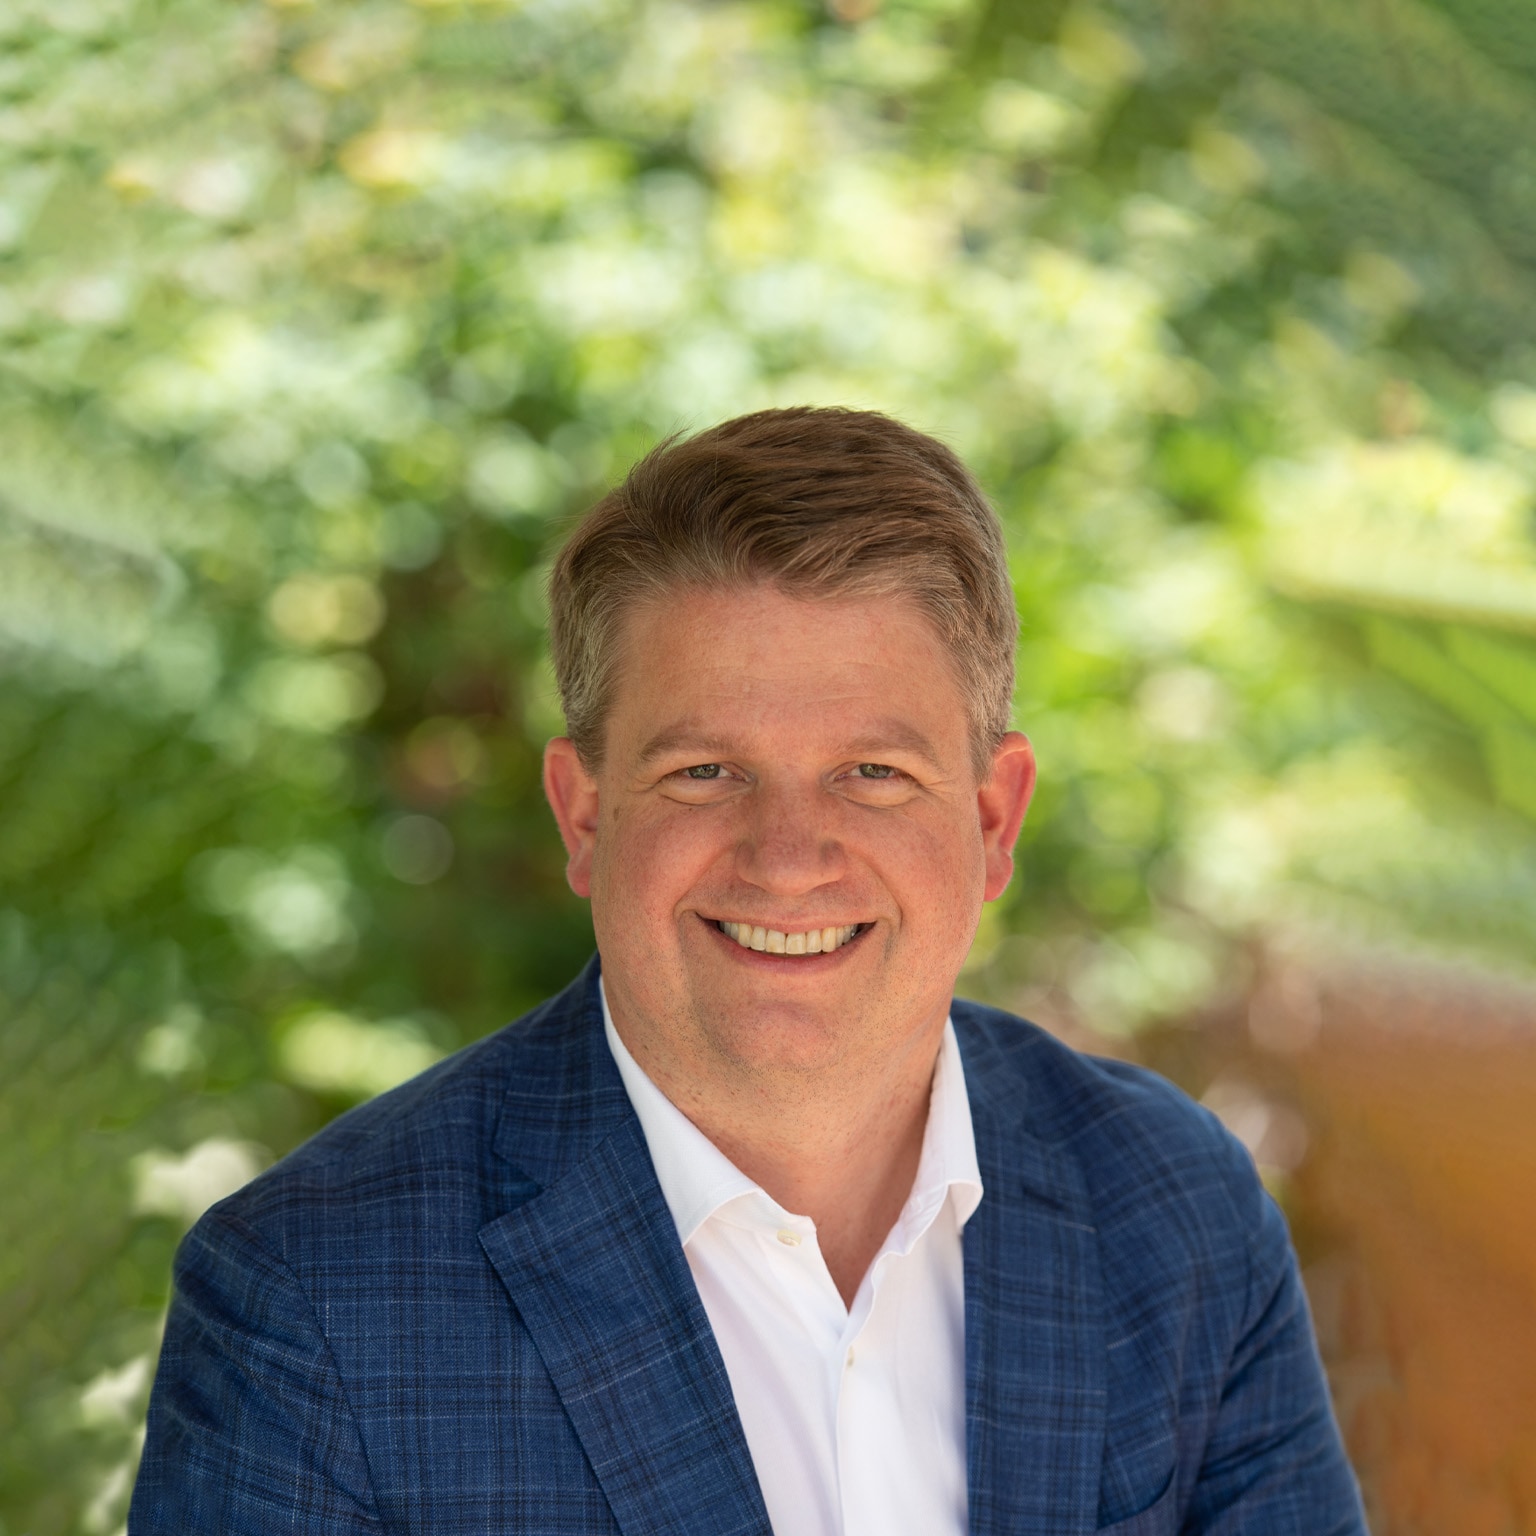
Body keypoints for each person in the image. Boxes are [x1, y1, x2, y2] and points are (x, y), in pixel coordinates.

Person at [130, 407, 1367, 1534]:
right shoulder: (310, 1299)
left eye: (873, 773)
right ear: (583, 815)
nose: (787, 858)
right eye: (704, 773)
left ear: (994, 820)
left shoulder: (1177, 1207)